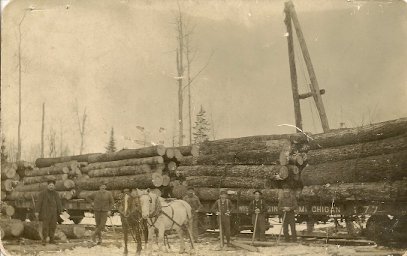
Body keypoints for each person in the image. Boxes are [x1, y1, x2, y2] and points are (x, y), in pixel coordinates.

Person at [35, 180, 63, 245]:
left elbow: (59, 203)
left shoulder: (56, 194)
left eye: (52, 185)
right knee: (45, 227)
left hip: (54, 213)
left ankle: (52, 239)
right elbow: (39, 203)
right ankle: (44, 240)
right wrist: (37, 211)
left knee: (53, 226)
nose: (51, 187)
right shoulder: (42, 193)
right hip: (45, 213)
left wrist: (61, 211)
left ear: (54, 186)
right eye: (50, 185)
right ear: (47, 186)